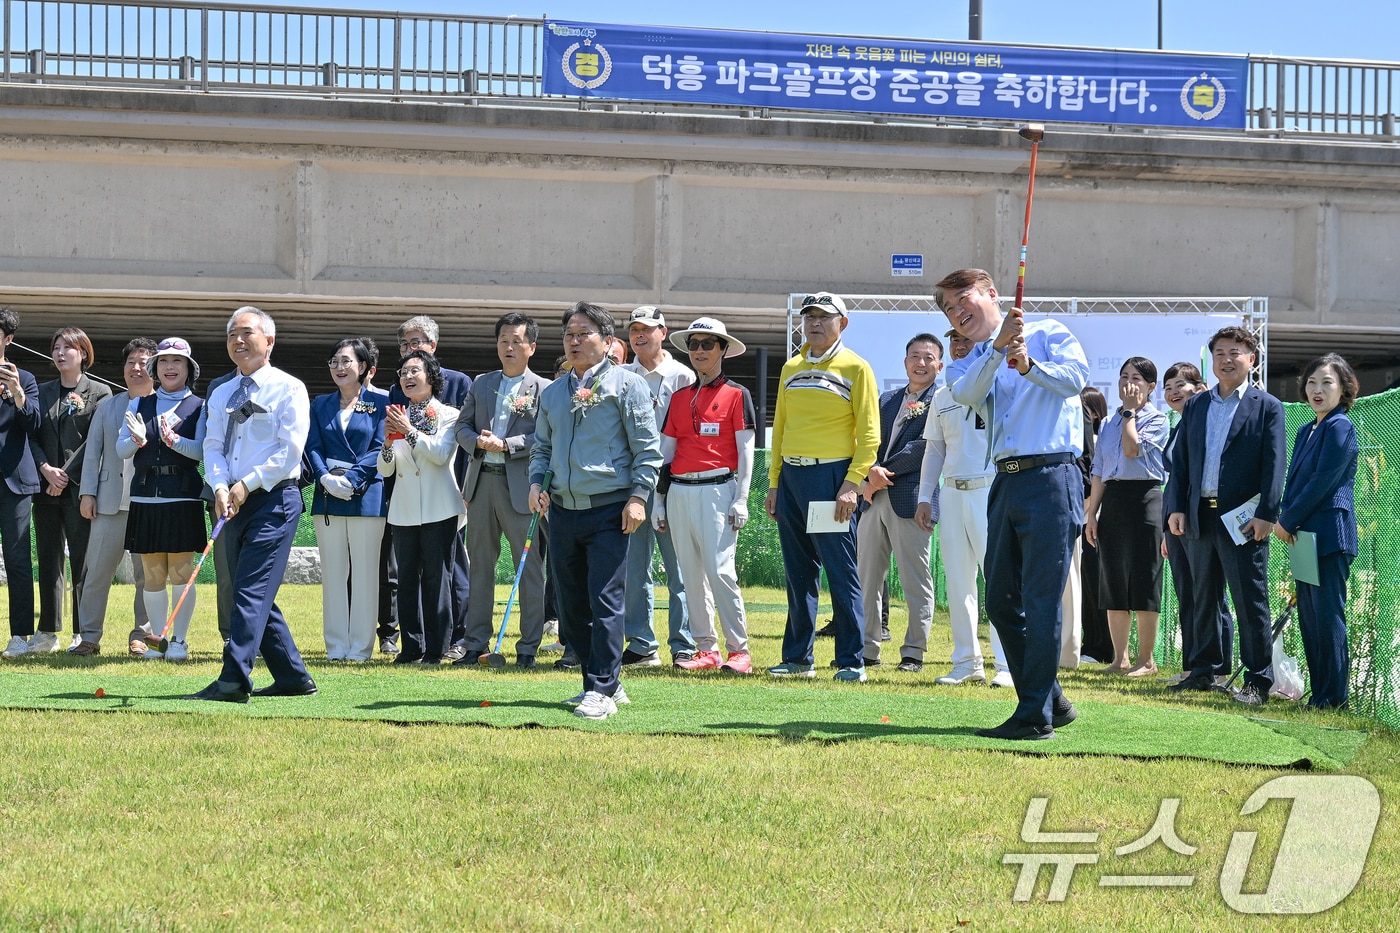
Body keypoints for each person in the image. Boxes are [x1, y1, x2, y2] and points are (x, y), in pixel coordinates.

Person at [935, 268, 1087, 740]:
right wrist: (1000, 349)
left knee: (1041, 599)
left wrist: (1030, 367)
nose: (957, 312)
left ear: (991, 294)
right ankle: (1051, 699)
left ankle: (1033, 716)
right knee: (1001, 601)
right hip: (1003, 479)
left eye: (964, 299)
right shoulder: (968, 360)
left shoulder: (1047, 333)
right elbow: (966, 393)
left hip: (1052, 477)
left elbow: (1075, 381)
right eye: (948, 309)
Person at [529, 301, 661, 721]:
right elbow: (542, 448)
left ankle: (601, 689)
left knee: (605, 599)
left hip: (610, 508)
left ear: (608, 342)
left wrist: (639, 497)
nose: (573, 340)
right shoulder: (553, 393)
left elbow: (647, 450)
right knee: (570, 607)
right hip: (563, 511)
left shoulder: (627, 386)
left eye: (583, 332)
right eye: (569, 333)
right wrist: (536, 484)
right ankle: (602, 681)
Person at [187, 307, 316, 703]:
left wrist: (247, 483)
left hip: (274, 501)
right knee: (253, 591)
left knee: (249, 592)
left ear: (269, 341)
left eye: (246, 333)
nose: (238, 341)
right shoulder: (222, 392)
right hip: (231, 500)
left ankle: (232, 679)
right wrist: (221, 485)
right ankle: (293, 677)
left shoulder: (289, 388)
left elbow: (289, 451)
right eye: (231, 335)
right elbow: (212, 445)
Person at [1165, 326, 1285, 706]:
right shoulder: (1198, 405)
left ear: (1252, 359)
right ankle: (1202, 672)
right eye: (1219, 353)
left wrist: (1267, 514)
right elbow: (1181, 462)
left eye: (1236, 352)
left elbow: (1275, 465)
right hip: (1201, 515)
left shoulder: (1266, 406)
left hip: (1244, 520)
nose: (1227, 359)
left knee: (1250, 602)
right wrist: (1178, 508)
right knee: (1203, 598)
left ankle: (1257, 682)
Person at [764, 291, 879, 683]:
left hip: (831, 479)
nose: (814, 323)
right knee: (798, 571)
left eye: (823, 317)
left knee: (840, 570)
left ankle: (850, 659)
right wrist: (775, 482)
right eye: (808, 315)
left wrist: (851, 483)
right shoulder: (790, 367)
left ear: (842, 323)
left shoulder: (856, 367)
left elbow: (869, 435)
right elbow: (780, 428)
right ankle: (798, 657)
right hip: (793, 478)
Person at [653, 317, 756, 673]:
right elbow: (665, 454)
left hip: (718, 490)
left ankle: (739, 650)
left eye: (707, 344)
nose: (699, 351)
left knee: (720, 571)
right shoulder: (679, 397)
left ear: (723, 349)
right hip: (680, 491)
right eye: (694, 344)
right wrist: (658, 500)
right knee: (688, 574)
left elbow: (746, 452)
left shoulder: (737, 394)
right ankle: (705, 649)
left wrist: (741, 498)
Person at [916, 328, 1011, 687]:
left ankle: (1007, 664)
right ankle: (967, 661)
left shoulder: (996, 384)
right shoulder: (942, 394)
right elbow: (935, 449)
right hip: (952, 493)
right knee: (958, 581)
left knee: (999, 580)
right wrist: (926, 497)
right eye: (954, 340)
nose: (959, 345)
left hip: (990, 489)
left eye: (966, 339)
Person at [455, 312, 550, 668]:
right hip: (480, 486)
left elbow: (543, 435)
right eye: (503, 341)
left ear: (531, 347)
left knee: (530, 568)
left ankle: (528, 647)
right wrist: (478, 443)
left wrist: (507, 444)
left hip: (521, 488)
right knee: (479, 566)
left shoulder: (543, 388)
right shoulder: (481, 383)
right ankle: (474, 644)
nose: (508, 347)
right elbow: (461, 427)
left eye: (516, 341)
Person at [1274, 354, 1360, 710]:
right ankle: (1320, 694)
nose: (1318, 390)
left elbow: (1322, 482)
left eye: (1327, 383)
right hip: (1303, 536)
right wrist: (1288, 518)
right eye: (1312, 382)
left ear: (1344, 389)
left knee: (1327, 617)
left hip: (1328, 535)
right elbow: (1295, 483)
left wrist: (1287, 519)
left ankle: (1334, 697)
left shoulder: (1340, 426)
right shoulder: (1307, 429)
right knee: (1310, 619)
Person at [387, 316, 473, 660]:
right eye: (403, 372)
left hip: (440, 505)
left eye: (414, 372)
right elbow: (386, 467)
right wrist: (384, 445)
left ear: (431, 378)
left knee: (439, 578)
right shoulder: (397, 413)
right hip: (405, 506)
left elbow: (439, 455)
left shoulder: (449, 414)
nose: (407, 377)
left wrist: (408, 431)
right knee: (407, 579)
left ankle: (438, 648)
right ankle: (411, 647)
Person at [118, 338, 208, 661]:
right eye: (164, 361)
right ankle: (158, 641)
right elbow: (120, 450)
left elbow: (201, 452)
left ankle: (180, 642)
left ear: (188, 369)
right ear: (156, 368)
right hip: (145, 498)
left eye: (178, 362)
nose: (170, 367)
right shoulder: (138, 404)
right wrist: (137, 440)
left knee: (182, 571)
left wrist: (175, 441)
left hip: (182, 498)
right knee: (153, 574)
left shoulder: (199, 406)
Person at [857, 333, 941, 672]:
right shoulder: (887, 399)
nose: (920, 363)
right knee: (867, 577)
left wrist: (881, 472)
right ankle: (867, 649)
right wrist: (868, 475)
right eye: (915, 356)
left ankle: (913, 652)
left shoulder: (942, 400)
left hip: (912, 500)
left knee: (915, 579)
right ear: (905, 361)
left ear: (940, 364)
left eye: (928, 358)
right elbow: (866, 440)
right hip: (872, 498)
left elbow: (924, 448)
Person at [1085, 358, 1169, 677]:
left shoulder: (1157, 420)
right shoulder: (1107, 423)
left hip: (1146, 498)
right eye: (1123, 377)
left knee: (1145, 579)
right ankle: (1119, 658)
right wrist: (1092, 513)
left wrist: (1131, 412)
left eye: (1136, 378)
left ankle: (1146, 660)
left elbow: (1133, 450)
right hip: (1114, 501)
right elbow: (1099, 470)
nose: (1128, 383)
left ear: (1150, 387)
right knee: (1113, 581)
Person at [30, 327, 112, 651]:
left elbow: (97, 440)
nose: (61, 353)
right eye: (56, 347)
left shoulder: (100, 392)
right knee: (49, 559)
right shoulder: (42, 391)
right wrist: (45, 470)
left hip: (81, 490)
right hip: (45, 489)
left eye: (68, 347)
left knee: (82, 560)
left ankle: (82, 631)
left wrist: (64, 474)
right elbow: (32, 435)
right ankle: (48, 631)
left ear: (83, 353)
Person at [622, 306, 695, 668]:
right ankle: (641, 644)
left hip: (674, 482)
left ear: (663, 332)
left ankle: (684, 644)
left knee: (679, 566)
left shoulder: (683, 375)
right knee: (635, 568)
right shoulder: (621, 376)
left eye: (646, 329)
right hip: (633, 484)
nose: (639, 335)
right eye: (634, 329)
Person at [307, 337, 388, 662]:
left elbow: (380, 446)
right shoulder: (320, 404)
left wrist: (352, 480)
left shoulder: (380, 403)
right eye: (334, 362)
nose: (340, 368)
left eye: (347, 361)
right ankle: (336, 647)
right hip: (328, 496)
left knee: (366, 573)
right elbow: (311, 445)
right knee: (333, 572)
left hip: (366, 496)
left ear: (364, 367)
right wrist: (326, 477)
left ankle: (360, 648)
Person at [74, 338, 156, 656]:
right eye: (130, 362)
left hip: (149, 503)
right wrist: (87, 493)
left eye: (144, 362)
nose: (136, 368)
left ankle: (141, 635)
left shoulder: (165, 405)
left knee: (147, 575)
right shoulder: (108, 406)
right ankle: (89, 637)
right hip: (108, 502)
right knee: (96, 572)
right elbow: (93, 452)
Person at [1159, 362, 1232, 684]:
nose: (1173, 392)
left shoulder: (1208, 425)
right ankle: (1194, 665)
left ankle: (1217, 667)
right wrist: (1167, 527)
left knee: (1212, 595)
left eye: (1180, 385)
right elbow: (1176, 478)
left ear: (1200, 389)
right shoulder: (1180, 425)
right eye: (1169, 387)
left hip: (1202, 520)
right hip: (1178, 523)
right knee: (1188, 594)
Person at [0, 308, 42, 659]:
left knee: (17, 559)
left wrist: (16, 392)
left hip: (14, 480)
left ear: (8, 339)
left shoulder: (24, 378)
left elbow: (34, 424)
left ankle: (20, 635)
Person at [1077, 386, 1113, 667]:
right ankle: (1086, 643)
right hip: (1081, 520)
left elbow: (1096, 481)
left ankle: (1101, 647)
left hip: (1094, 520)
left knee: (1094, 585)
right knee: (1082, 587)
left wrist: (1087, 511)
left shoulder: (1102, 440)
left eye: (1086, 410)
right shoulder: (1075, 439)